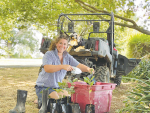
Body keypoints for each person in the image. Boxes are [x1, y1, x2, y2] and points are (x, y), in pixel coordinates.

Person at [35, 34, 94, 104]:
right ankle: (41, 100)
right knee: (56, 102)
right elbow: (47, 68)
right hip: (43, 87)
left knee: (68, 100)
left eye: (65, 44)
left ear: (67, 46)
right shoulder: (49, 54)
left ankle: (43, 99)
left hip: (57, 87)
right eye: (60, 43)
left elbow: (78, 65)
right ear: (56, 44)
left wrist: (88, 69)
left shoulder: (67, 56)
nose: (62, 46)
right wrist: (62, 66)